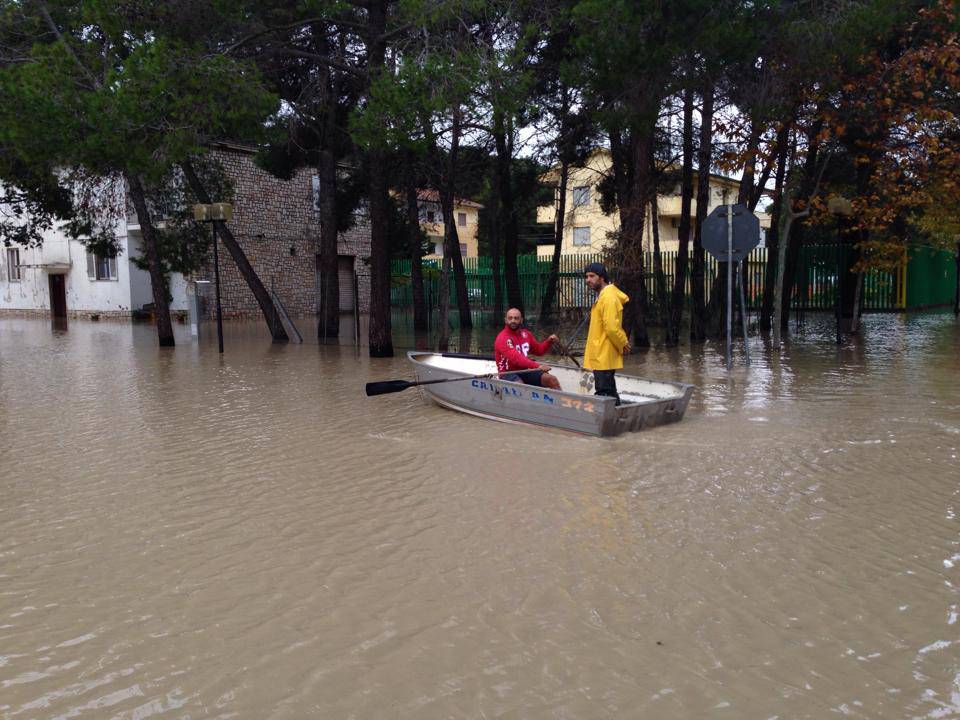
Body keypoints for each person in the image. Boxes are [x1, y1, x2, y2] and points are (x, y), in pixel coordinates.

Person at [583, 262, 630, 404]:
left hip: (603, 353)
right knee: (609, 390)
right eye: (586, 276)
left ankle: (608, 422)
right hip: (601, 353)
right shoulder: (603, 296)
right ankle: (618, 417)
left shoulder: (608, 297)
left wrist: (624, 343)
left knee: (603, 392)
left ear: (602, 278)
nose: (588, 280)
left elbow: (612, 328)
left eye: (592, 276)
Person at [493, 308, 561, 390]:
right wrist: (537, 366)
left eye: (516, 318)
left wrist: (549, 341)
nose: (513, 321)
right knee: (520, 387)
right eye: (510, 318)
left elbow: (539, 350)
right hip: (507, 373)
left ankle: (562, 402)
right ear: (506, 320)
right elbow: (516, 358)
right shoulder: (502, 338)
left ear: (521, 320)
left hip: (524, 370)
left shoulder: (526, 334)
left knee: (552, 380)